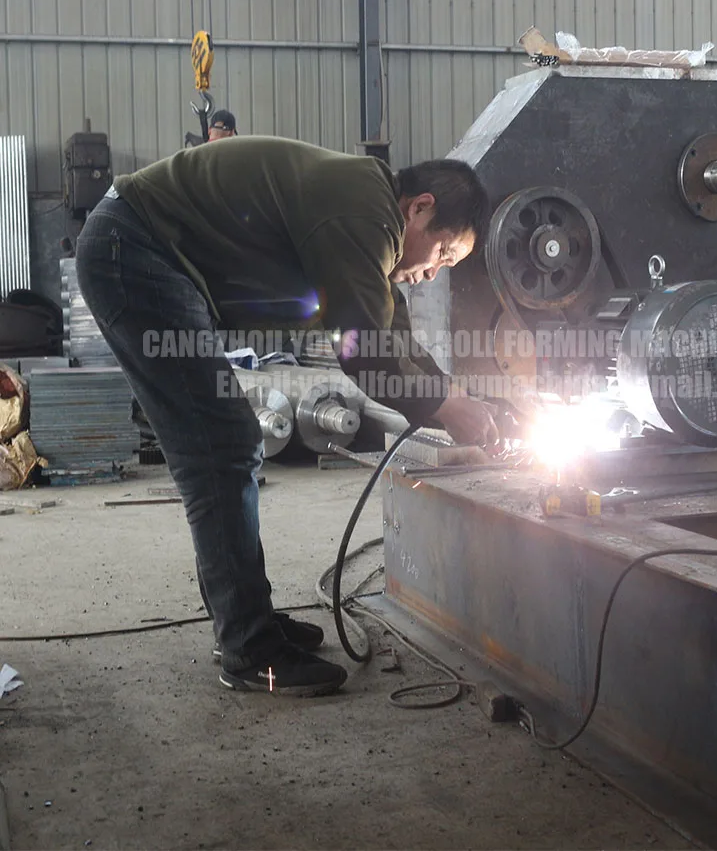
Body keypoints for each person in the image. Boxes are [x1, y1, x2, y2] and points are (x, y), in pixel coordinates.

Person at [74, 136, 499, 697]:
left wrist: (454, 398)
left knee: (225, 445)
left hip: (143, 247)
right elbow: (362, 351)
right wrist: (444, 405)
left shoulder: (370, 220)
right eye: (443, 253)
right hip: (135, 249)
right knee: (221, 446)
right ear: (420, 207)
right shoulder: (362, 213)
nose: (433, 272)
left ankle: (245, 619)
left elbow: (393, 337)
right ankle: (249, 648)